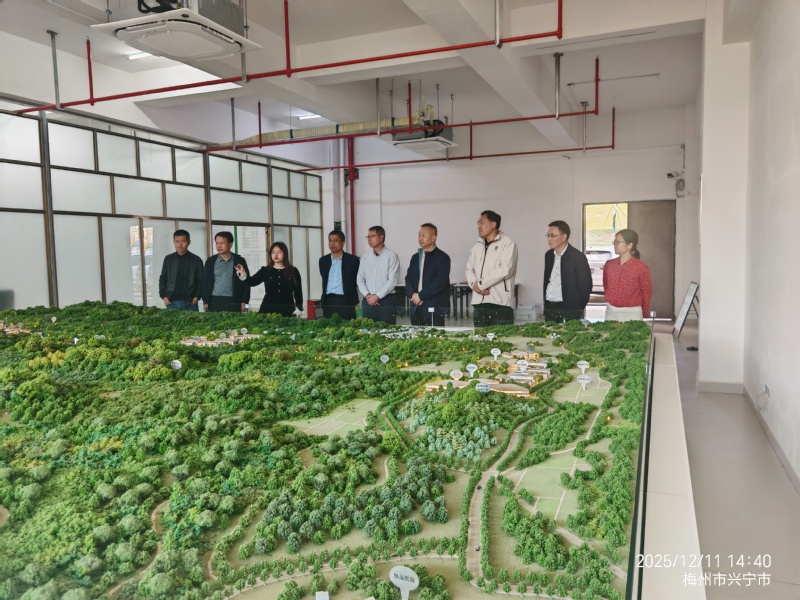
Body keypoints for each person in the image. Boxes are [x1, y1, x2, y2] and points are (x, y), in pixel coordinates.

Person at [465, 210, 518, 327]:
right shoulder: (476, 247)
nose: (479, 226)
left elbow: (505, 269)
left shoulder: (507, 243)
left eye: (482, 223)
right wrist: (475, 285)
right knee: (480, 337)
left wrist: (480, 285)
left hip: (500, 303)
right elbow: (469, 269)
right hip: (479, 302)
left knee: (503, 337)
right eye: (478, 223)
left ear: (493, 224)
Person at [236, 241, 303, 317]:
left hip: (287, 308)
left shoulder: (293, 271)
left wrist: (299, 308)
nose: (276, 255)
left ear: (285, 254)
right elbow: (252, 282)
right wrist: (242, 272)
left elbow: (298, 292)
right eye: (273, 252)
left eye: (279, 252)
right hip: (268, 308)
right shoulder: (266, 270)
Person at [543, 220, 592, 322]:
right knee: (549, 331)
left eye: (552, 235)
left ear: (563, 237)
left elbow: (585, 287)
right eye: (548, 236)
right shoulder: (548, 255)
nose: (549, 239)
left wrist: (577, 309)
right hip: (550, 306)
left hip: (570, 309)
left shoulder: (577, 257)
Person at [405, 223, 451, 326]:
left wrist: (420, 296)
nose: (420, 238)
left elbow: (440, 282)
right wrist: (413, 295)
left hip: (434, 307)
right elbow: (408, 278)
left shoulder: (443, 258)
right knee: (416, 335)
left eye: (424, 235)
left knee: (435, 335)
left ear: (433, 238)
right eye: (419, 235)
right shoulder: (415, 257)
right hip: (415, 305)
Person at [602, 229, 652, 321]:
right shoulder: (609, 265)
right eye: (614, 242)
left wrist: (645, 313)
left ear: (629, 245)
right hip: (611, 311)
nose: (615, 245)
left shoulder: (641, 267)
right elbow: (606, 286)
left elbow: (646, 292)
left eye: (619, 242)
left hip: (633, 312)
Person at [356, 225, 400, 324]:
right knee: (368, 329)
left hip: (386, 300)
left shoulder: (391, 256)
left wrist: (377, 296)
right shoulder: (365, 257)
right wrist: (367, 295)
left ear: (381, 237)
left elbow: (392, 281)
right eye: (368, 236)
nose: (369, 239)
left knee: (387, 329)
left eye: (372, 236)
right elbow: (360, 279)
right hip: (368, 300)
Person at [201, 231, 250, 312]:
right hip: (214, 299)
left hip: (233, 300)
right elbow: (205, 282)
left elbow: (246, 282)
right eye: (217, 243)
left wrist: (244, 300)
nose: (218, 246)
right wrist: (205, 301)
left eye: (222, 243)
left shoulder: (239, 260)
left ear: (230, 244)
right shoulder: (211, 261)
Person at [319, 230, 360, 320]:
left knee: (347, 327)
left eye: (336, 241)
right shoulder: (323, 260)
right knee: (328, 327)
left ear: (343, 243)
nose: (332, 243)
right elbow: (324, 277)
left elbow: (356, 280)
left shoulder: (353, 260)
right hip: (328, 301)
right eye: (330, 240)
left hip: (346, 301)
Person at [158, 229, 203, 311]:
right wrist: (164, 296)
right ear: (174, 242)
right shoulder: (168, 259)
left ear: (189, 242)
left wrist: (196, 297)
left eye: (183, 241)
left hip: (190, 303)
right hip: (171, 302)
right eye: (177, 241)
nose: (180, 244)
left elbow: (201, 281)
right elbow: (163, 278)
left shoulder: (196, 260)